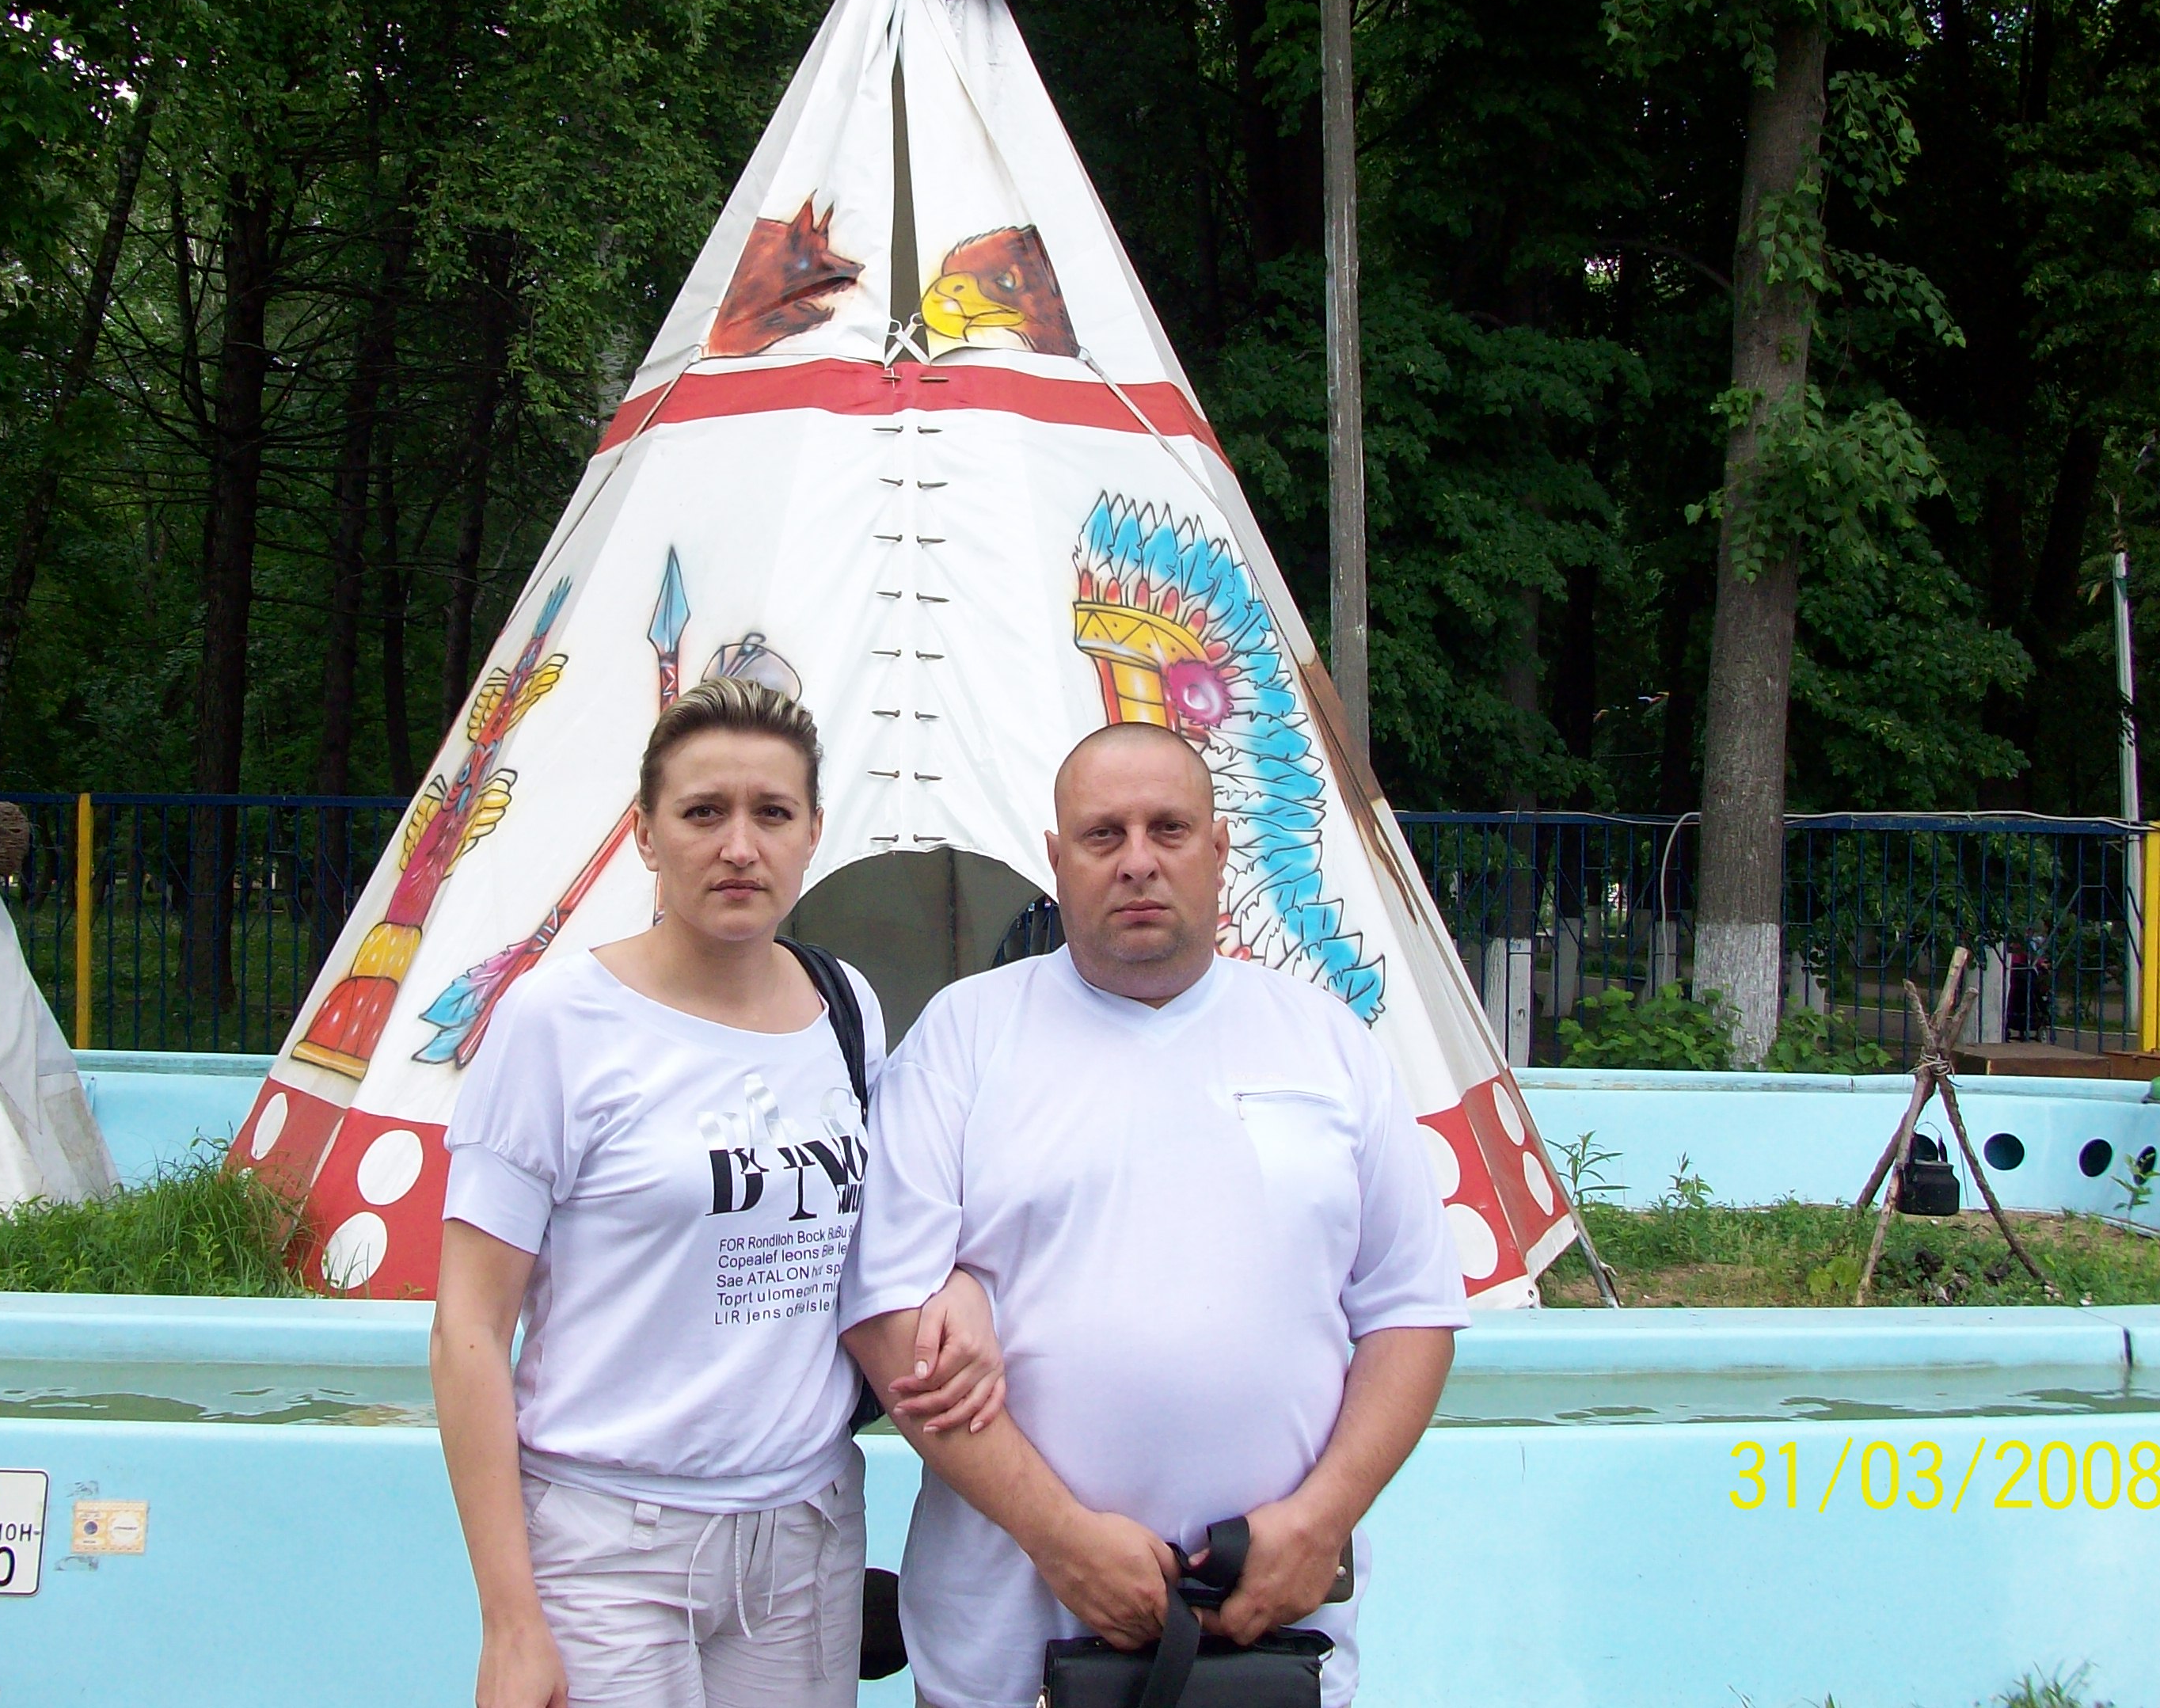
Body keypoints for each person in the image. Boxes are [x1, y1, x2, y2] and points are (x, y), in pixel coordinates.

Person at [841, 720, 1467, 1708]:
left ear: (1218, 849)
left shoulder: (1328, 1046)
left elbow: (1410, 1310)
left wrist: (1321, 1519)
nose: (1137, 861)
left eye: (1168, 829)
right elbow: (886, 1315)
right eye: (1103, 835)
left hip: (1272, 1634)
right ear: (1056, 859)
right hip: (1008, 1643)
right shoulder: (963, 1039)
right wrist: (1058, 1538)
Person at [432, 677, 1005, 1708]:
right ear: (645, 834)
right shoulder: (555, 1026)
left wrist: (959, 1284)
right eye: (703, 813)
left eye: (771, 813)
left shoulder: (845, 1005)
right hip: (609, 1544)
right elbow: (469, 1327)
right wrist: (510, 1622)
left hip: (805, 1535)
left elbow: (897, 1225)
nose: (739, 847)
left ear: (813, 832)